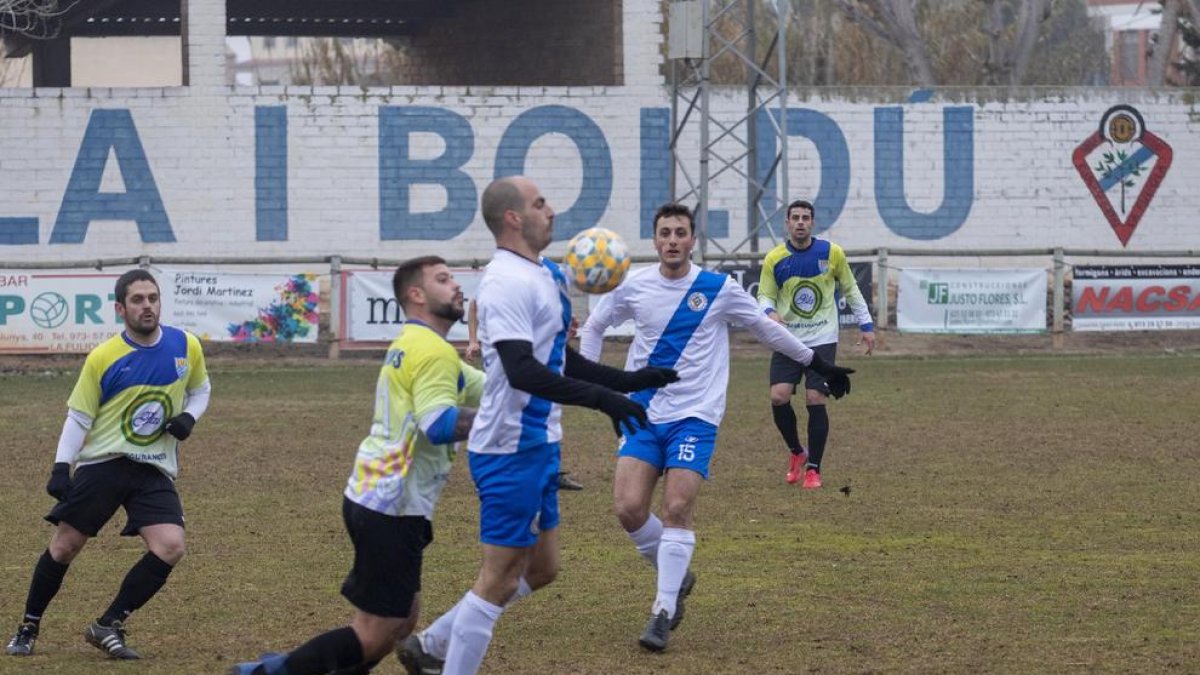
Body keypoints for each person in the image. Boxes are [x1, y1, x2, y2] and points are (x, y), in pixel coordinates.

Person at [396, 176, 676, 675]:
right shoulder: (505, 281)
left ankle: (432, 643)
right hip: (508, 450)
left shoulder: (543, 274)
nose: (551, 211)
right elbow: (523, 370)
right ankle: (442, 657)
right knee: (498, 579)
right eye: (540, 203)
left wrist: (630, 380)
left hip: (540, 445)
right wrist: (605, 401)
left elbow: (559, 360)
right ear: (512, 218)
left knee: (543, 569)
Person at [578, 202, 853, 653]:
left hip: (696, 417)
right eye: (664, 232)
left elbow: (768, 330)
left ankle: (662, 611)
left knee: (677, 508)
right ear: (655, 240)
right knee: (628, 509)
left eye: (680, 233)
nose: (671, 240)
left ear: (692, 240)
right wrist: (600, 388)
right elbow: (593, 327)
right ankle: (677, 576)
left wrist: (816, 362)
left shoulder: (717, 288)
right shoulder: (634, 285)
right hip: (642, 412)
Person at [230, 257, 484, 675]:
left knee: (402, 619)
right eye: (443, 279)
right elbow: (438, 425)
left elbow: (495, 390)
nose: (457, 286)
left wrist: (540, 364)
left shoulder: (424, 345)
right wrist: (499, 422)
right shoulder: (432, 351)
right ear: (416, 295)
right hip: (389, 502)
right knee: (374, 632)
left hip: (385, 498)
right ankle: (268, 672)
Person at [4, 269, 211, 660]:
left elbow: (201, 389)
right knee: (65, 547)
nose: (147, 305)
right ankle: (28, 626)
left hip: (153, 467)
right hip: (104, 463)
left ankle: (108, 624)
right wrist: (61, 467)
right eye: (137, 300)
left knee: (171, 546)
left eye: (152, 297)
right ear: (121, 308)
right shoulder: (104, 357)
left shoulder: (187, 345)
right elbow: (79, 417)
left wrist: (190, 417)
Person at [757, 199, 875, 489]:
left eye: (805, 217)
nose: (800, 222)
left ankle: (814, 469)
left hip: (822, 338)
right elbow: (764, 296)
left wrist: (867, 324)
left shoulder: (831, 252)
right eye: (795, 217)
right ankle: (797, 452)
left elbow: (850, 288)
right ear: (786, 223)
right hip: (788, 339)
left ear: (812, 222)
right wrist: (769, 312)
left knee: (815, 399)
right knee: (778, 397)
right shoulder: (775, 258)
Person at [466, 299, 584, 491]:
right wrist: (472, 340)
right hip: (510, 366)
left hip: (533, 362)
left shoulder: (542, 275)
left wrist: (560, 335)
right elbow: (474, 303)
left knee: (545, 416)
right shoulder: (501, 274)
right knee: (512, 414)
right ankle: (501, 472)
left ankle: (548, 472)